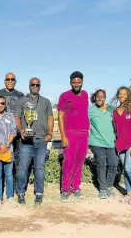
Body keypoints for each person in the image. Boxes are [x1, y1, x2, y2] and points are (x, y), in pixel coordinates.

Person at [15, 78, 54, 206]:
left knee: (40, 168)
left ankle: (39, 193)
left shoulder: (46, 101)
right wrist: (20, 130)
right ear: (29, 86)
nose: (35, 86)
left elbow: (50, 118)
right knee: (23, 168)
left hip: (41, 139)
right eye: (33, 84)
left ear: (40, 86)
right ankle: (20, 192)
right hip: (26, 140)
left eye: (37, 85)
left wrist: (49, 133)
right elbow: (17, 117)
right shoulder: (21, 101)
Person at [0, 73, 24, 193]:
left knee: (13, 161)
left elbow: (24, 113)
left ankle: (13, 186)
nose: (10, 81)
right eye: (8, 79)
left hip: (14, 135)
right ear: (4, 81)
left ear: (15, 81)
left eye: (12, 79)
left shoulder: (20, 95)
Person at [57, 71, 89, 202]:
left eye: (79, 82)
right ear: (70, 82)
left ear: (82, 82)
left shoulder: (86, 94)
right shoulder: (65, 96)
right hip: (70, 133)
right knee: (68, 161)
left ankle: (75, 187)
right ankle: (65, 189)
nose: (76, 84)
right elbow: (60, 116)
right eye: (74, 82)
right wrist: (63, 136)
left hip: (84, 133)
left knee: (79, 162)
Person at [89, 89, 118, 199]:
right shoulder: (91, 110)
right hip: (96, 142)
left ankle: (109, 186)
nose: (100, 98)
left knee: (114, 163)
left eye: (102, 96)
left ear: (105, 98)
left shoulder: (111, 109)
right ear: (95, 98)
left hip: (111, 142)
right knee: (101, 161)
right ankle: (102, 188)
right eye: (98, 96)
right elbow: (83, 122)